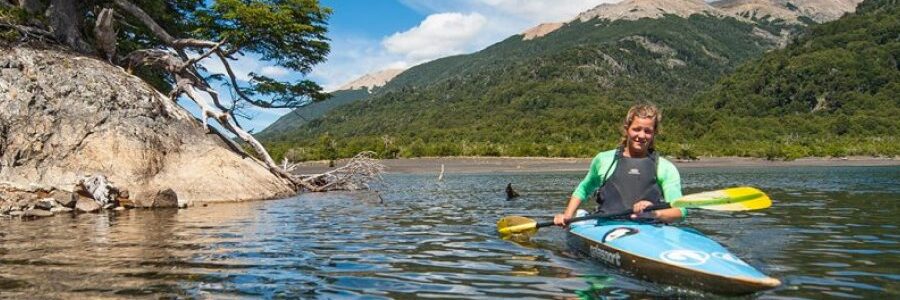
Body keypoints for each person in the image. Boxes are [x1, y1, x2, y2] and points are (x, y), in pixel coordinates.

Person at [553, 104, 685, 226]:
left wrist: (655, 213)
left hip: (649, 227)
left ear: (654, 132)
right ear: (627, 129)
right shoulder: (604, 160)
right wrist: (567, 216)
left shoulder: (665, 167)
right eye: (636, 129)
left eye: (647, 131)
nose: (641, 135)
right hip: (606, 226)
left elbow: (680, 211)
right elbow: (583, 189)